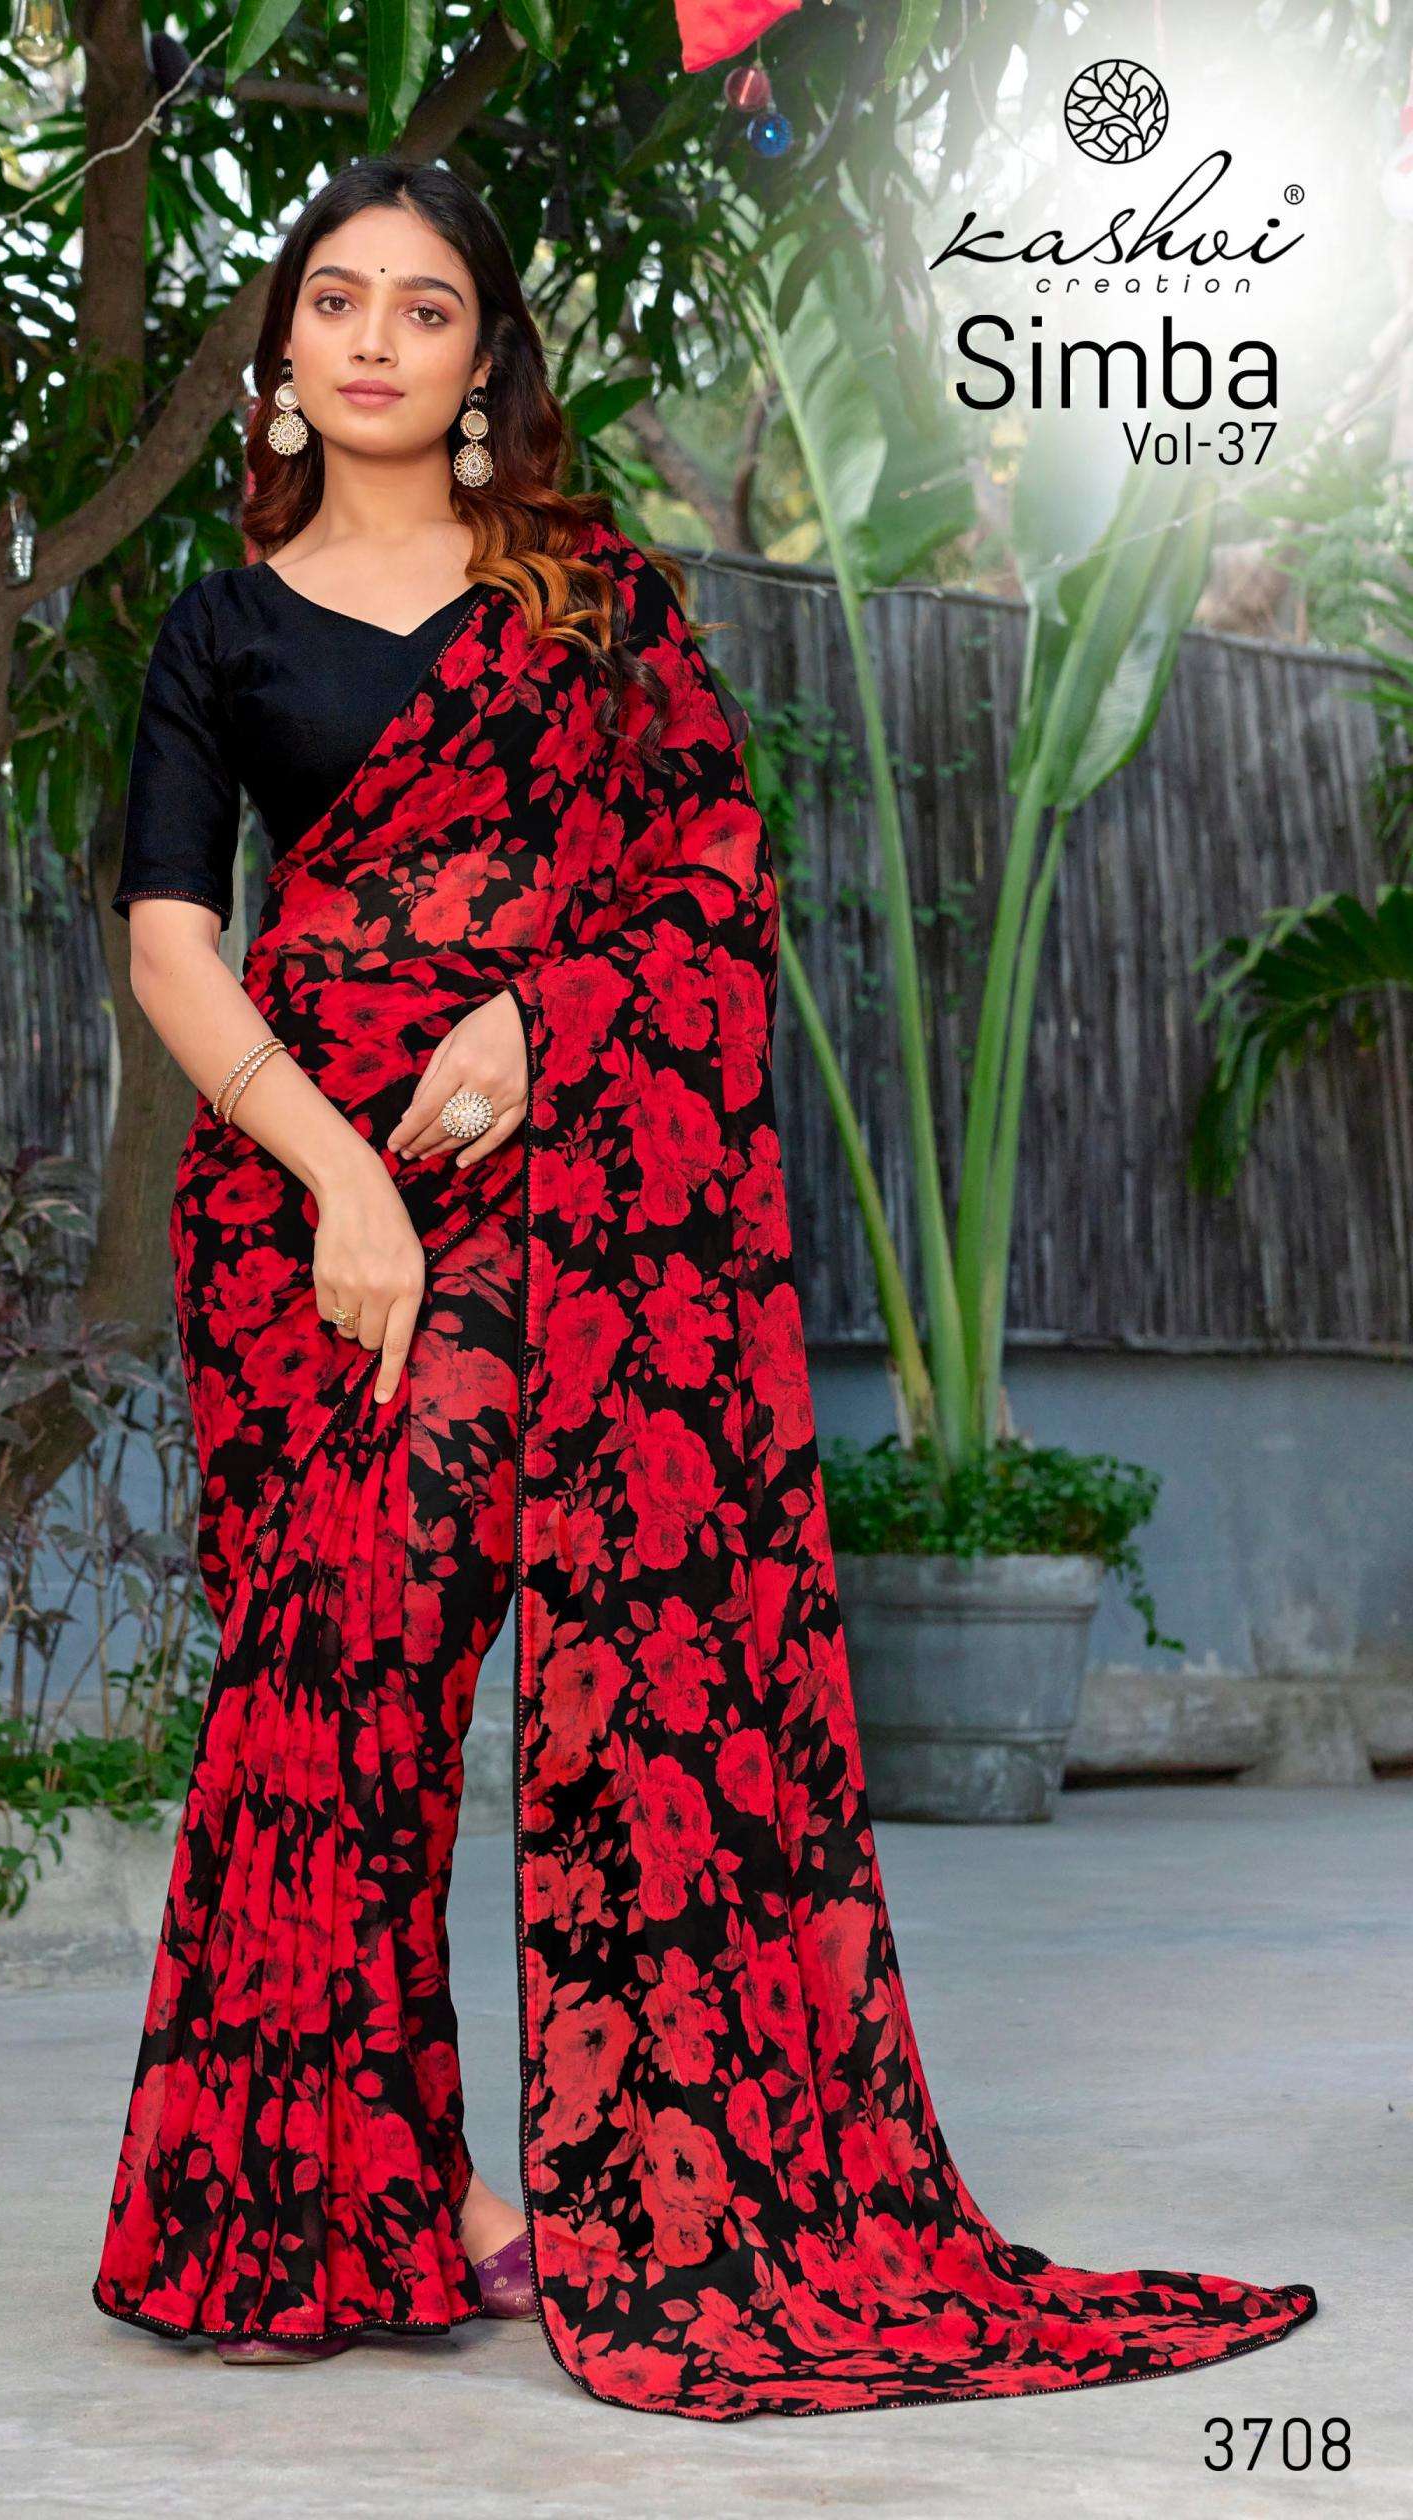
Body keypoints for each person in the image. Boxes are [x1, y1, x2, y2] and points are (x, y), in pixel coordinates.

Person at [91, 155, 1316, 2421]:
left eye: (425, 308)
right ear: (281, 349)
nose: (373, 340)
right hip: (298, 1208)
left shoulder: (590, 608)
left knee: (426, 1629)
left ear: (486, 360)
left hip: (553, 1189)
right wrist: (341, 1175)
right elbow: (173, 938)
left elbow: (706, 877)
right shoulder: (222, 627)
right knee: (329, 1688)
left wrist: (543, 1015)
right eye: (335, 300)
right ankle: (374, 2201)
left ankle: (629, 2183)